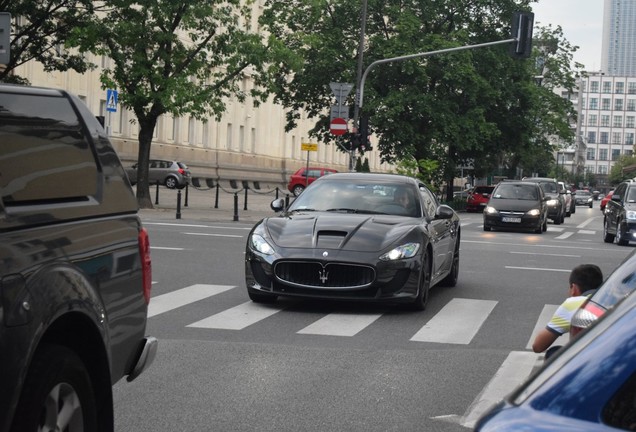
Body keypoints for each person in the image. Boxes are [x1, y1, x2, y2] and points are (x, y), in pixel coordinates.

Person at [532, 264, 603, 357]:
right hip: (613, 355)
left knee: (553, 352)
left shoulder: (573, 304)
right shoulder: (610, 299)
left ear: (573, 288)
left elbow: (538, 346)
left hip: (588, 360)